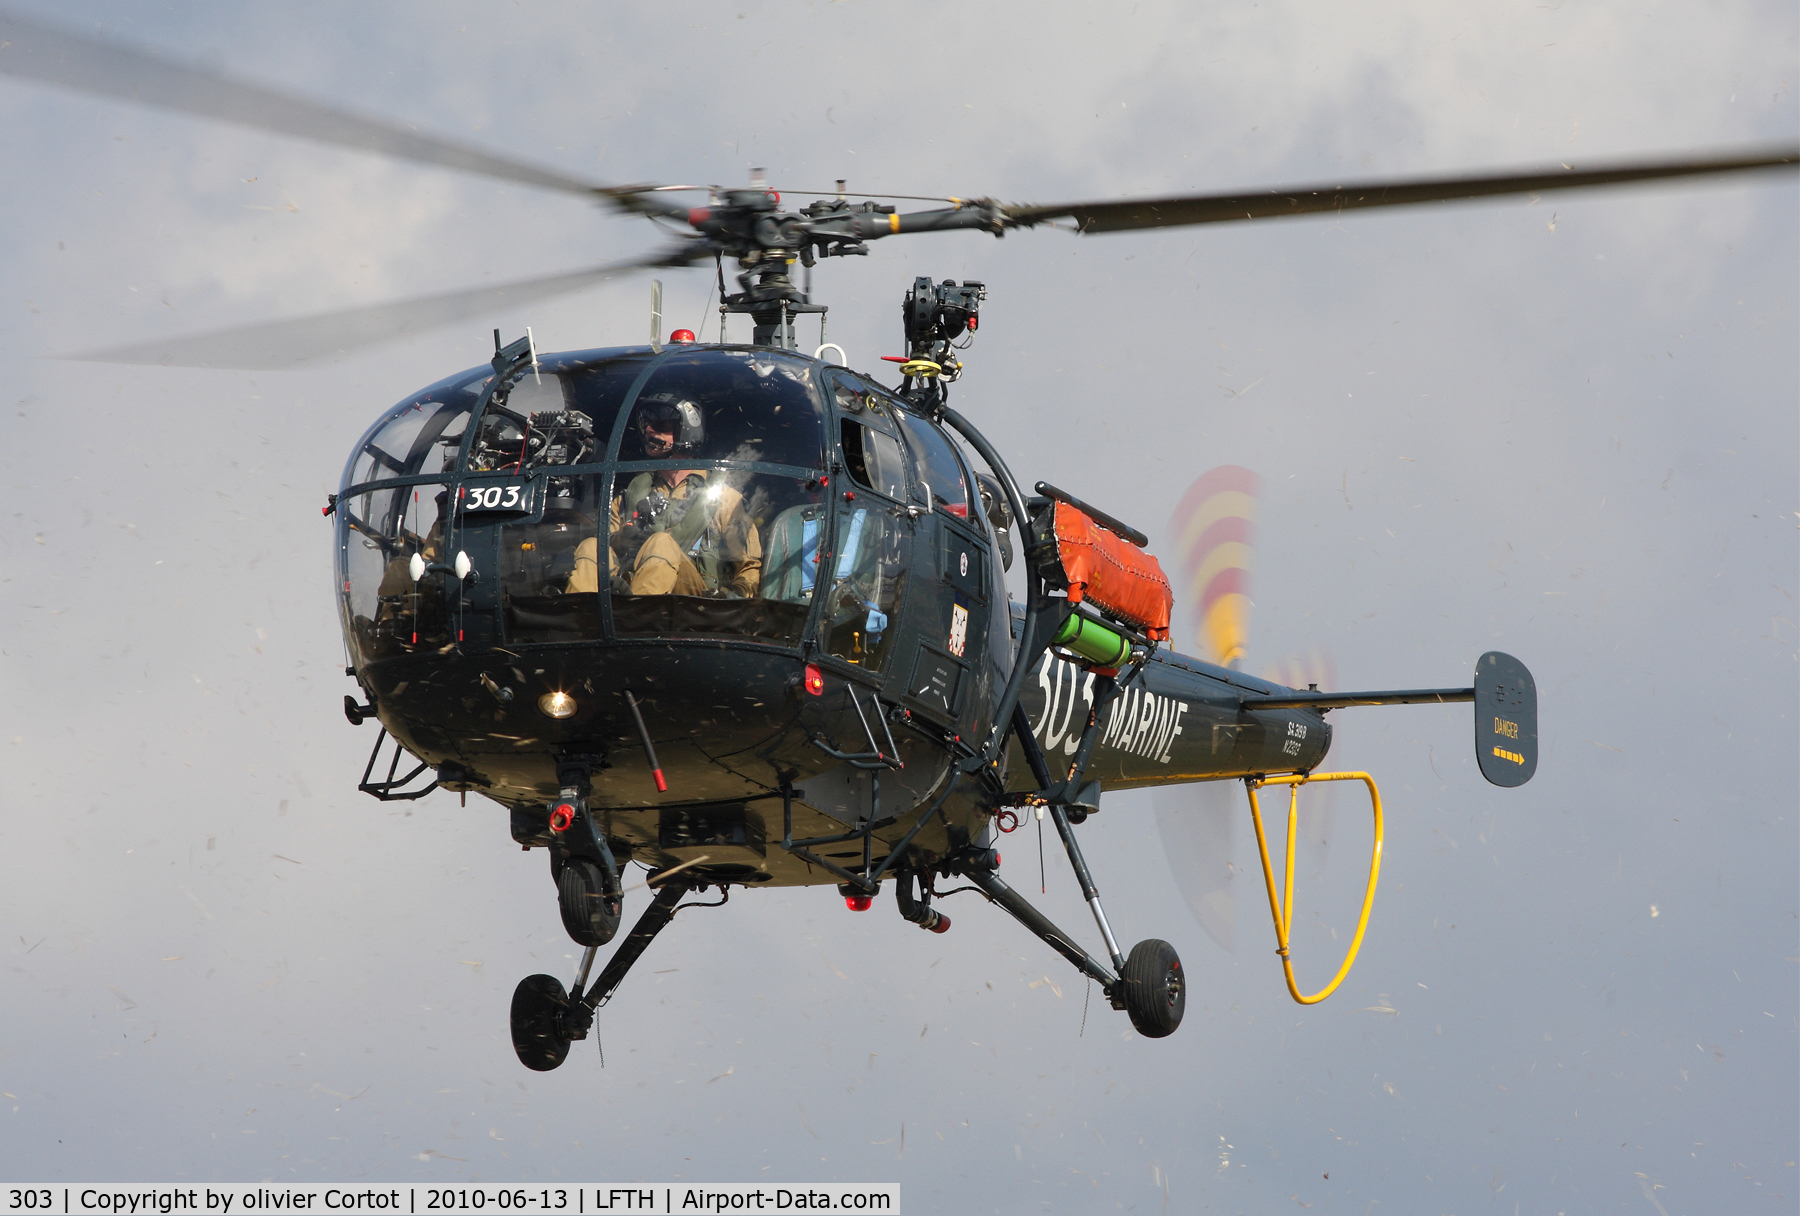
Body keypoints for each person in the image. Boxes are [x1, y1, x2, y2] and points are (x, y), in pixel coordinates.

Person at [565, 396, 762, 598]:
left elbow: (749, 567)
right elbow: (610, 551)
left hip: (696, 600)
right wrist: (621, 538)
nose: (649, 430)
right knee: (593, 546)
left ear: (687, 431)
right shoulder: (626, 499)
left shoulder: (725, 499)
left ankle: (639, 616)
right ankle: (577, 622)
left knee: (661, 542)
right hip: (628, 590)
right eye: (647, 424)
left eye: (661, 425)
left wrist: (733, 596)